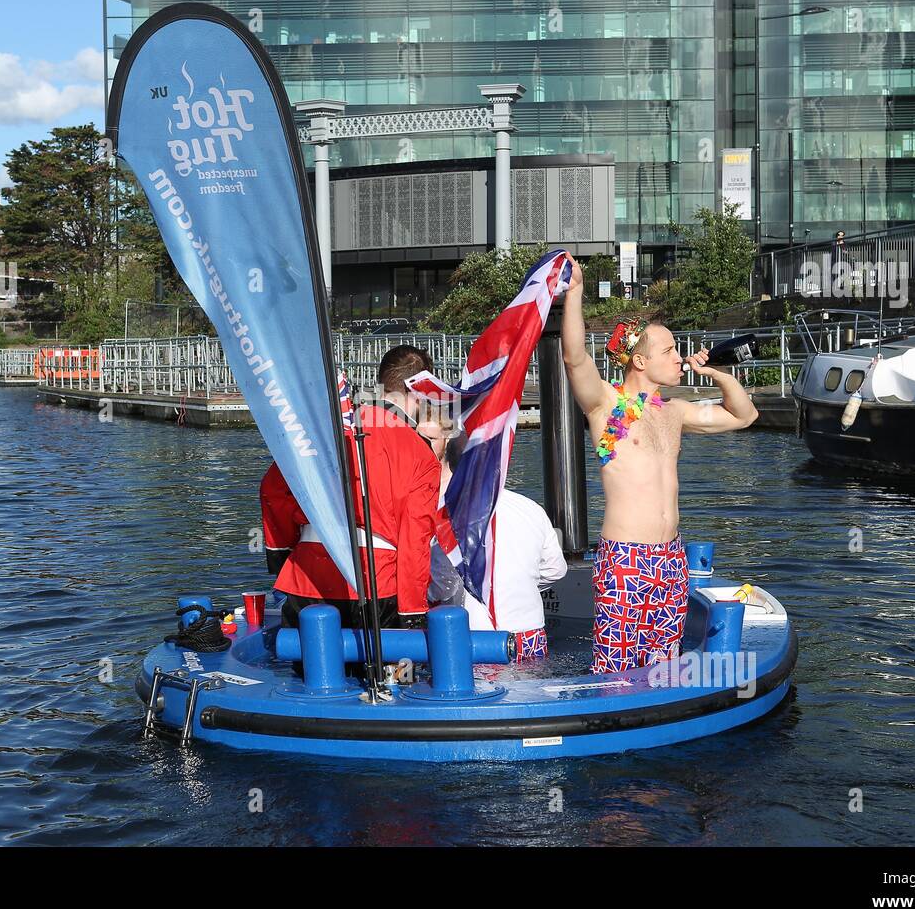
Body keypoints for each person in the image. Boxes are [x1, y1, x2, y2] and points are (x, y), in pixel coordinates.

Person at [559, 255, 759, 673]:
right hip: (626, 558)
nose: (679, 357)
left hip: (671, 558)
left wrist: (717, 373)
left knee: (662, 666)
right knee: (616, 668)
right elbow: (575, 359)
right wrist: (575, 293)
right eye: (669, 350)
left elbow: (744, 416)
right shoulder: (606, 405)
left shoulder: (674, 411)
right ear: (640, 361)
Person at [261, 345, 442, 632]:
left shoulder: (325, 429)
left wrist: (281, 552)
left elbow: (275, 489)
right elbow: (415, 538)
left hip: (307, 576)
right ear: (421, 391)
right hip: (375, 585)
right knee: (382, 676)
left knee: (304, 673)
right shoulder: (421, 454)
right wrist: (412, 612)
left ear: (381, 383)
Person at [433, 436, 567, 661]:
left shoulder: (446, 517)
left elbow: (443, 586)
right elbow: (557, 569)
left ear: (452, 466)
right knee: (531, 692)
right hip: (529, 631)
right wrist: (519, 584)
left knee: (479, 694)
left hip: (475, 635)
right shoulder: (530, 508)